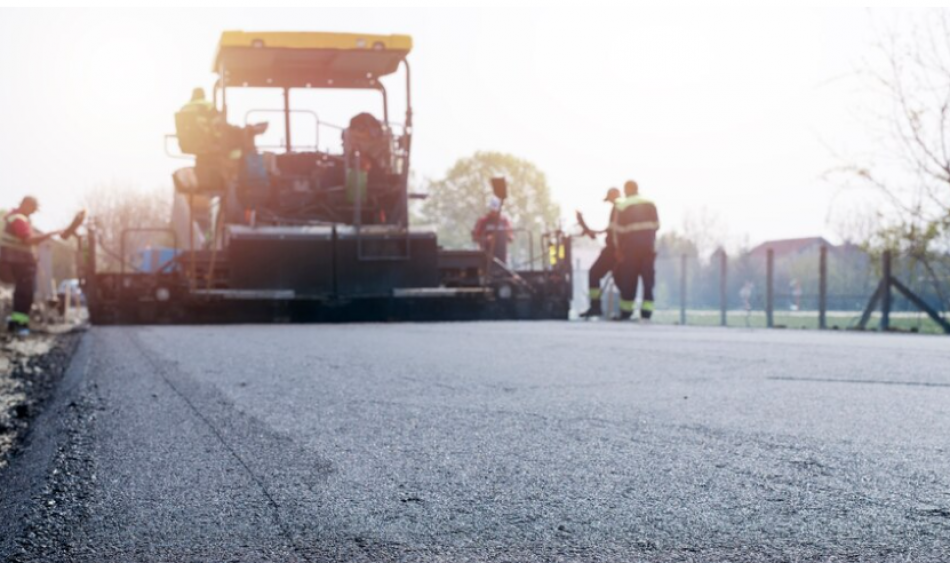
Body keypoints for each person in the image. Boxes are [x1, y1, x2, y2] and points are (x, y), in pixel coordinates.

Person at [1, 197, 61, 336]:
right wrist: (50, 234)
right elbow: (28, 240)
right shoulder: (19, 219)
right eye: (33, 208)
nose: (33, 212)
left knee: (21, 293)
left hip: (15, 260)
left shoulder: (11, 217)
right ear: (26, 204)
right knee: (24, 293)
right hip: (18, 262)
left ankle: (15, 323)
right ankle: (19, 325)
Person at [612, 180, 660, 321]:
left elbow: (618, 231)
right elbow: (657, 225)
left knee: (629, 280)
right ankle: (647, 312)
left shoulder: (622, 206)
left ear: (626, 190)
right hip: (648, 248)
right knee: (648, 280)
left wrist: (618, 250)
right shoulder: (650, 203)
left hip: (630, 250)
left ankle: (626, 311)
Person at [578, 187, 621, 318]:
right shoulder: (619, 209)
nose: (609, 202)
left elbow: (615, 232)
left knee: (594, 273)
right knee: (620, 278)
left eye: (609, 199)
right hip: (618, 249)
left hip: (614, 249)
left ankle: (596, 306)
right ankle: (623, 310)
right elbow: (610, 229)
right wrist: (594, 232)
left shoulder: (618, 208)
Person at [472, 196, 514, 264]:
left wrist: (506, 237)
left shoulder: (504, 221)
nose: (494, 213)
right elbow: (475, 237)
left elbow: (510, 237)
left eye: (496, 211)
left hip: (502, 257)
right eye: (492, 210)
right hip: (485, 256)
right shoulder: (483, 221)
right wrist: (486, 239)